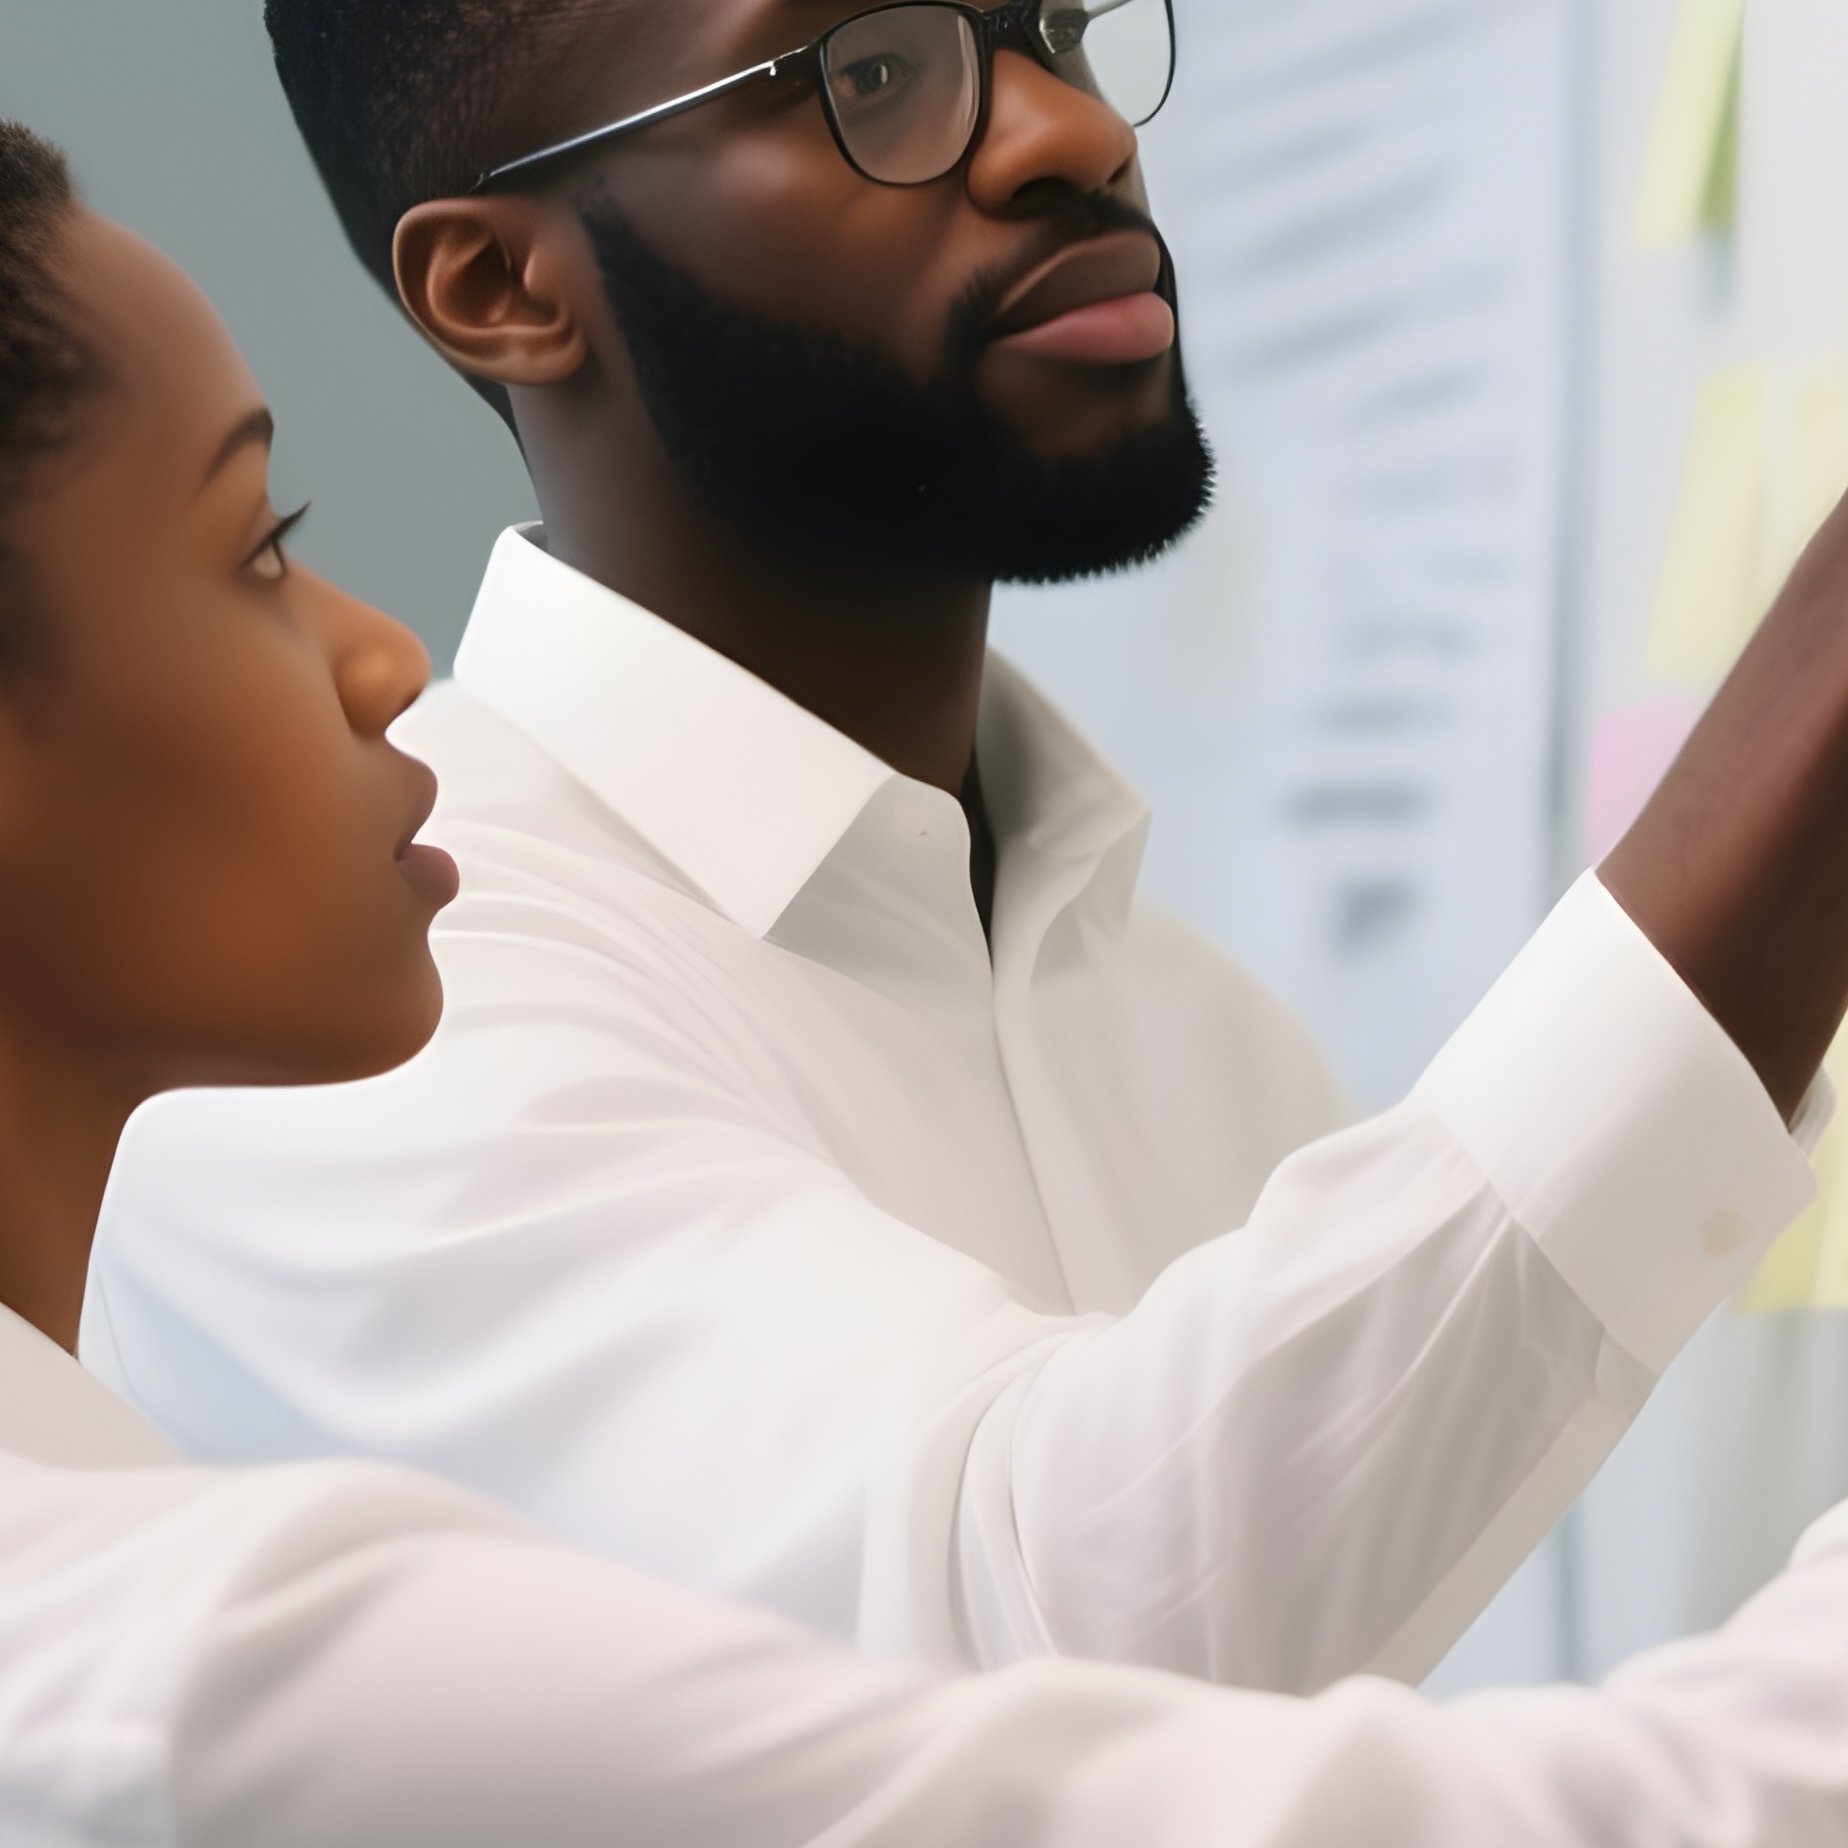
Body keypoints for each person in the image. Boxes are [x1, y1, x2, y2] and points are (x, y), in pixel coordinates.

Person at [17, 112, 1848, 1848]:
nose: (1064, 128)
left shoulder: (1204, 1036)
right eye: (870, 72)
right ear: (501, 285)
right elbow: (1057, 1682)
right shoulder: (348, 1065)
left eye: (1049, 20)